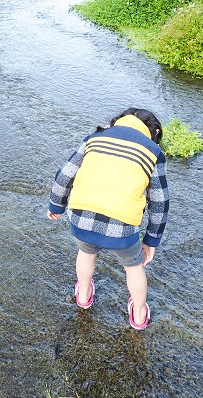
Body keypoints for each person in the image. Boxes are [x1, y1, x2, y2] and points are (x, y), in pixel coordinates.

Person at [47, 108, 169, 330]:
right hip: (122, 228)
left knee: (85, 253)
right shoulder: (153, 151)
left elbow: (65, 174)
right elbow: (159, 201)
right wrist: (151, 240)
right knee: (133, 267)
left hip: (81, 217)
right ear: (155, 132)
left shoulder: (94, 139)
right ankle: (139, 315)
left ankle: (83, 296)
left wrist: (56, 204)